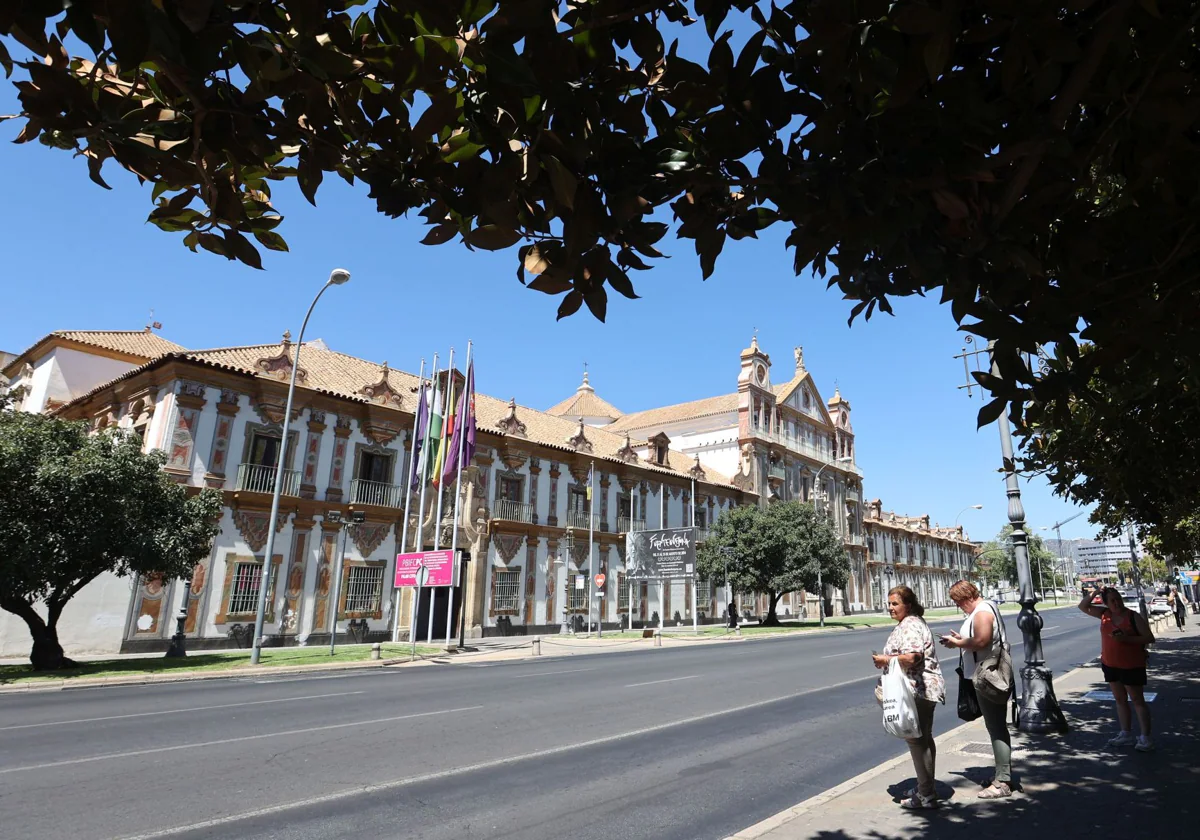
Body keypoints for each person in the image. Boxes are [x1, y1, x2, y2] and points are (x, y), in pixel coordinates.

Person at [872, 585, 946, 809]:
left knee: (917, 742)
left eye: (895, 603)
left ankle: (926, 795)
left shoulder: (911, 624)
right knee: (923, 739)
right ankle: (926, 787)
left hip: (916, 689)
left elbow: (913, 657)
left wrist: (885, 660)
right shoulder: (910, 623)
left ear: (909, 605)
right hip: (920, 689)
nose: (890, 608)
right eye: (889, 603)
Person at [939, 580, 1013, 799]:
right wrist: (962, 639)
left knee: (996, 727)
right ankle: (1001, 775)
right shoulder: (983, 609)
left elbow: (982, 641)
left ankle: (1003, 782)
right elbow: (981, 640)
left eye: (959, 601)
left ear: (967, 596)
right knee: (995, 726)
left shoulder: (982, 611)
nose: (959, 606)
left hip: (988, 677)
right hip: (982, 675)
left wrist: (956, 643)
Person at [1078, 585, 1155, 751]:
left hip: (1132, 665)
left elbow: (1149, 637)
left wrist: (1126, 639)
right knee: (1120, 700)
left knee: (1137, 701)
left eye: (1118, 599)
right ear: (1106, 603)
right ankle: (1126, 734)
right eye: (1112, 600)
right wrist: (1096, 593)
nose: (1116, 603)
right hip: (1110, 664)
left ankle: (1145, 738)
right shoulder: (1104, 614)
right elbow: (1083, 606)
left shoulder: (1132, 616)